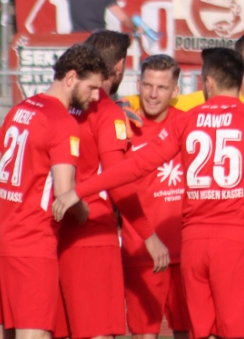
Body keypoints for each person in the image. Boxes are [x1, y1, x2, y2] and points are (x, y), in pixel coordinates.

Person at [54, 47, 244, 339]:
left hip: (194, 245)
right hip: (237, 240)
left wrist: (79, 190)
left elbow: (136, 166)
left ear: (207, 82)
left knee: (200, 333)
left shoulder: (186, 121)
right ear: (240, 80)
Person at [0, 43, 107, 339]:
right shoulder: (63, 122)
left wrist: (21, 194)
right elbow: (64, 193)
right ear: (71, 78)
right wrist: (84, 211)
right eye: (92, 87)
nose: (95, 96)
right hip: (32, 242)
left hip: (0, 238)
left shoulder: (21, 108)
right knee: (34, 333)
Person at [54, 32, 168, 339]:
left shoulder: (53, 104)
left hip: (50, 232)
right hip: (91, 231)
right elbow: (117, 180)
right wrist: (148, 235)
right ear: (118, 66)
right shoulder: (106, 111)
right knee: (98, 331)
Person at [122, 54, 192, 339]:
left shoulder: (189, 124)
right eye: (147, 85)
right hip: (142, 250)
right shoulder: (124, 126)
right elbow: (118, 188)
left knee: (190, 333)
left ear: (175, 91)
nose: (152, 94)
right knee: (144, 335)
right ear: (138, 84)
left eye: (161, 88)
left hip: (187, 252)